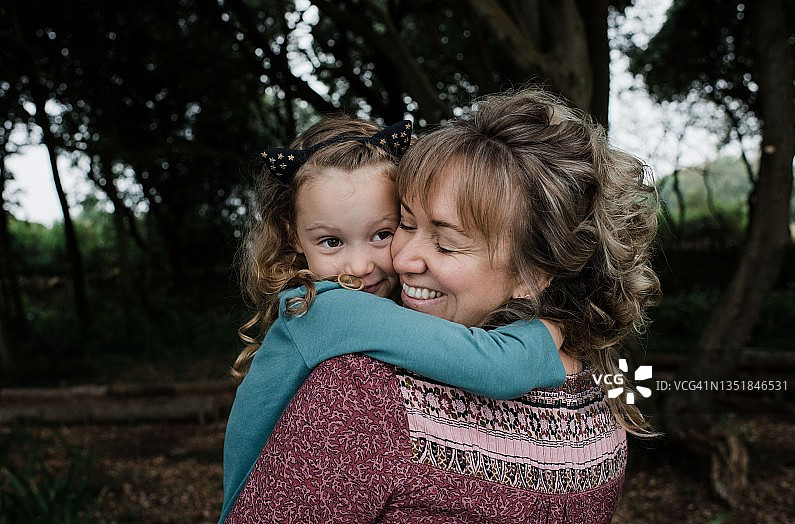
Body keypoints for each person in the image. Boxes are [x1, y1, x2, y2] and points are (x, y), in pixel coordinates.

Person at [225, 89, 661, 524]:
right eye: (408, 224)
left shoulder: (367, 386)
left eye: (446, 243)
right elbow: (496, 364)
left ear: (534, 275)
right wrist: (545, 336)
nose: (396, 260)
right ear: (294, 237)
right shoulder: (600, 407)